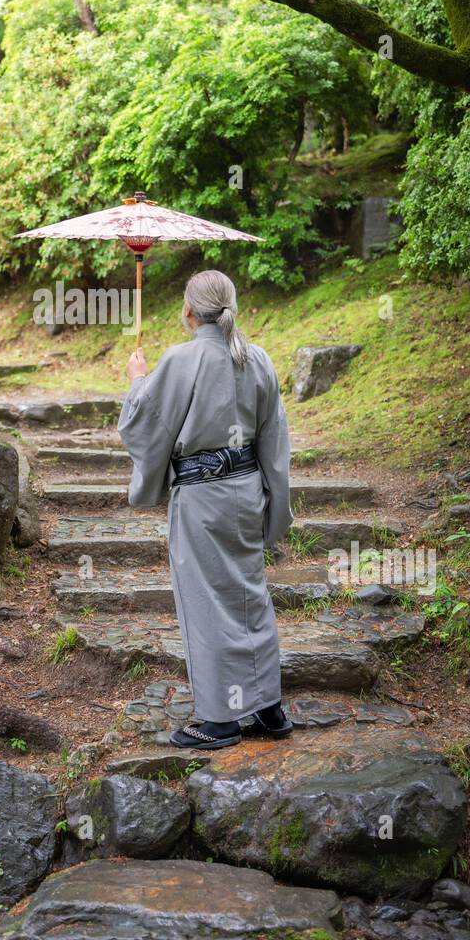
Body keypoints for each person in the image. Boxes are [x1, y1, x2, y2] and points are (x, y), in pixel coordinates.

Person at [118, 269, 294, 749]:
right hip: (247, 491)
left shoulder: (182, 358)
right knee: (249, 596)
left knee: (206, 602)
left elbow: (144, 425)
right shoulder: (257, 359)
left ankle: (218, 718)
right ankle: (267, 708)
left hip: (202, 499)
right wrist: (276, 505)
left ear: (189, 311)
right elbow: (275, 441)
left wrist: (137, 380)